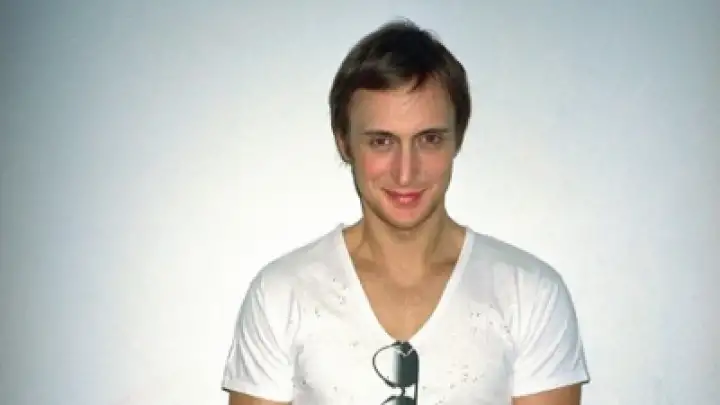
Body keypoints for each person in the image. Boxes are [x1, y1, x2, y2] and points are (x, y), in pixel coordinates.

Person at [221, 19, 590, 405]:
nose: (405, 172)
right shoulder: (282, 293)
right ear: (344, 143)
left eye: (429, 139)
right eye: (382, 141)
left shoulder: (529, 293)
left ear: (457, 138)